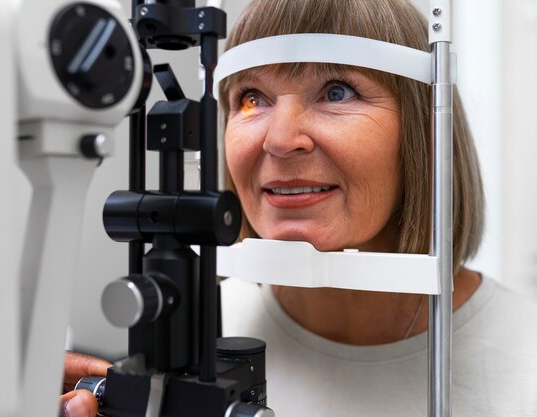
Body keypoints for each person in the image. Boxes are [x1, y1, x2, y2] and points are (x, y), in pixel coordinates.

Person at [63, 0, 537, 415]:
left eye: (337, 91)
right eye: (252, 99)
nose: (281, 139)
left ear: (423, 136)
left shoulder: (524, 365)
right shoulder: (192, 336)